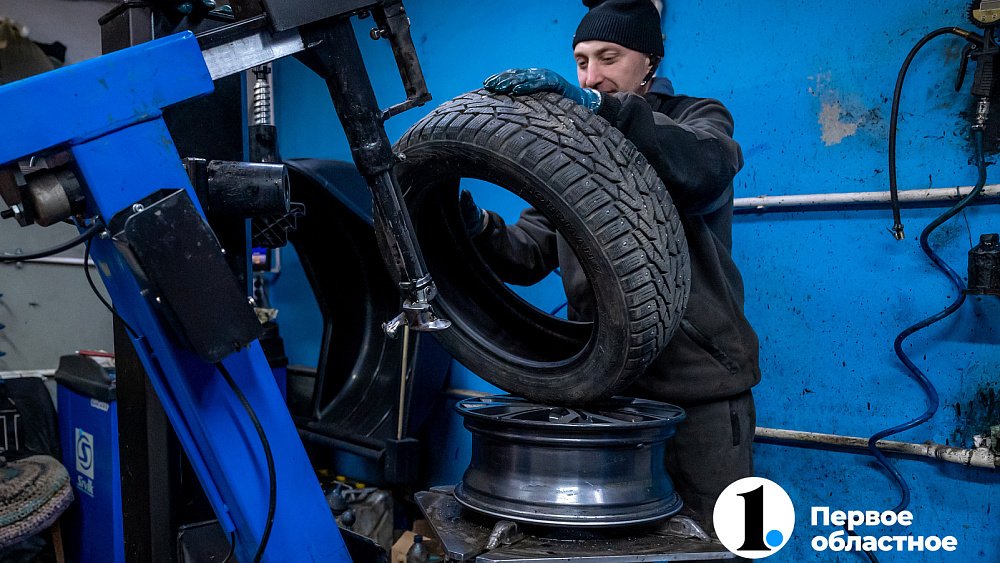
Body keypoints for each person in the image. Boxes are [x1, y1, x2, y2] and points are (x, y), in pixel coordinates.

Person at [461, 0, 761, 536]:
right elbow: (528, 252)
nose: (591, 75)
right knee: (616, 540)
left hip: (702, 390)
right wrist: (475, 225)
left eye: (608, 57)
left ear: (649, 61)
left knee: (723, 536)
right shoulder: (569, 150)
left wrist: (603, 110)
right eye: (581, 62)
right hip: (607, 388)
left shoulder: (697, 117)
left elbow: (706, 166)